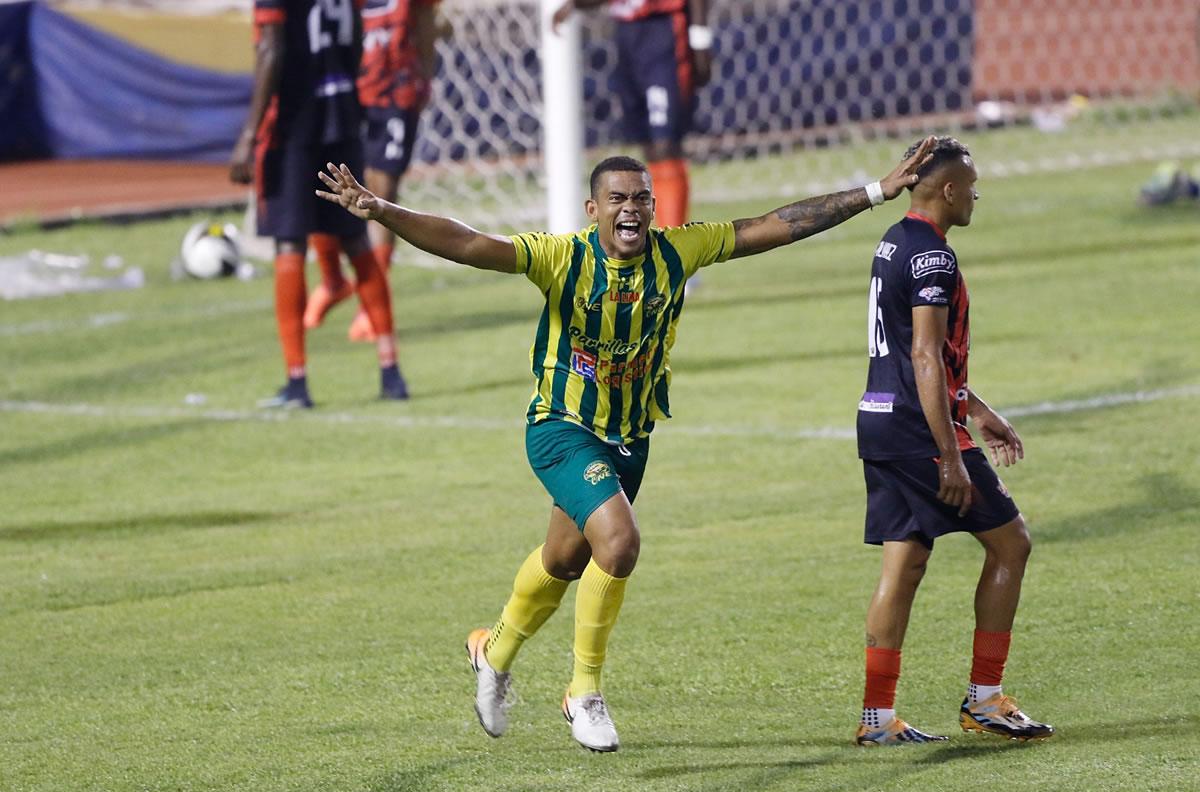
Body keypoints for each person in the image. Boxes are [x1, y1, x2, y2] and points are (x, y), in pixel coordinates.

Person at [317, 139, 934, 751]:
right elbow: (472, 244)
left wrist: (876, 191)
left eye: (642, 198)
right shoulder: (560, 258)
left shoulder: (679, 252)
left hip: (631, 437)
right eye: (617, 199)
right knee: (619, 541)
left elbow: (775, 225)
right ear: (593, 209)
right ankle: (583, 692)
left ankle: (492, 650)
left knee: (565, 560)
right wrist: (384, 210)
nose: (631, 209)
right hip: (561, 427)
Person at [853, 136, 1055, 746]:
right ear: (946, 190)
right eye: (970, 184)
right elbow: (923, 354)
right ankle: (986, 699)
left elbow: (919, 353)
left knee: (906, 560)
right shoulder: (934, 259)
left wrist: (976, 406)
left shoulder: (894, 238)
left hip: (879, 418)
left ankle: (877, 718)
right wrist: (950, 451)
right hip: (920, 431)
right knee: (1011, 544)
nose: (976, 193)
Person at [229, 0, 408, 407]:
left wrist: (248, 135)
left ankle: (297, 382)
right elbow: (359, 38)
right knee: (355, 239)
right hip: (342, 116)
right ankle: (390, 371)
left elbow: (271, 46)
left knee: (289, 244)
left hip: (292, 127)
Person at [304, 0, 442, 345]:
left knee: (381, 194)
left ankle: (371, 303)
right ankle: (333, 278)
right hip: (345, 85)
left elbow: (425, 17)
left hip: (395, 84)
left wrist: (425, 74)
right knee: (325, 180)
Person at [551, 0, 711, 229]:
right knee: (648, 144)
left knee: (665, 143)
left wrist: (700, 39)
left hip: (664, 29)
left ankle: (674, 241)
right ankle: (662, 238)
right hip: (627, 33)